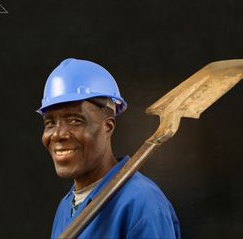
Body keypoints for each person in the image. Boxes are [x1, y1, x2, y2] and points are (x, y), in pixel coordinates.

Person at [38, 58, 180, 239]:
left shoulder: (143, 203)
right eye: (50, 123)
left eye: (75, 120)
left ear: (108, 126)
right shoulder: (66, 206)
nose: (57, 134)